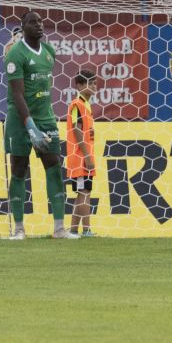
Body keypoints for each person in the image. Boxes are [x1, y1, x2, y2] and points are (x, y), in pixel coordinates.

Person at [4, 10, 77, 239]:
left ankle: (59, 228)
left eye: (41, 22)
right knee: (18, 170)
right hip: (19, 120)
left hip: (46, 118)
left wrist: (40, 123)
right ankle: (18, 229)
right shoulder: (15, 54)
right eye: (33, 22)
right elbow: (17, 95)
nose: (39, 25)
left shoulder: (48, 52)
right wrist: (30, 126)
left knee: (54, 166)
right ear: (23, 27)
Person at [66, 71, 97, 237]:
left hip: (83, 156)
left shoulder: (86, 105)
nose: (94, 86)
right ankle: (87, 230)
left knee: (82, 193)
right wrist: (86, 155)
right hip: (80, 157)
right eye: (90, 83)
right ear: (79, 86)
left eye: (95, 83)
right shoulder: (77, 104)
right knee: (85, 192)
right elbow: (76, 129)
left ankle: (72, 230)